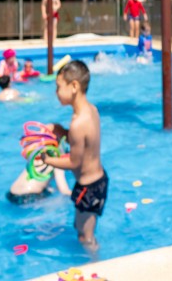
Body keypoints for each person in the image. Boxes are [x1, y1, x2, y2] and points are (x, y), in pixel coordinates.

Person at [37, 60, 107, 250]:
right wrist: (62, 131)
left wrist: (47, 160)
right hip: (97, 181)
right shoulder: (91, 110)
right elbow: (84, 144)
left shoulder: (78, 123)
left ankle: (95, 268)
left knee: (86, 236)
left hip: (89, 187)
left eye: (59, 87)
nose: (56, 92)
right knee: (79, 227)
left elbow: (75, 162)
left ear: (74, 86)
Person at [7, 123, 72, 204]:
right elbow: (63, 190)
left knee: (49, 189)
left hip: (12, 193)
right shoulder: (57, 162)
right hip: (29, 197)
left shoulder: (36, 156)